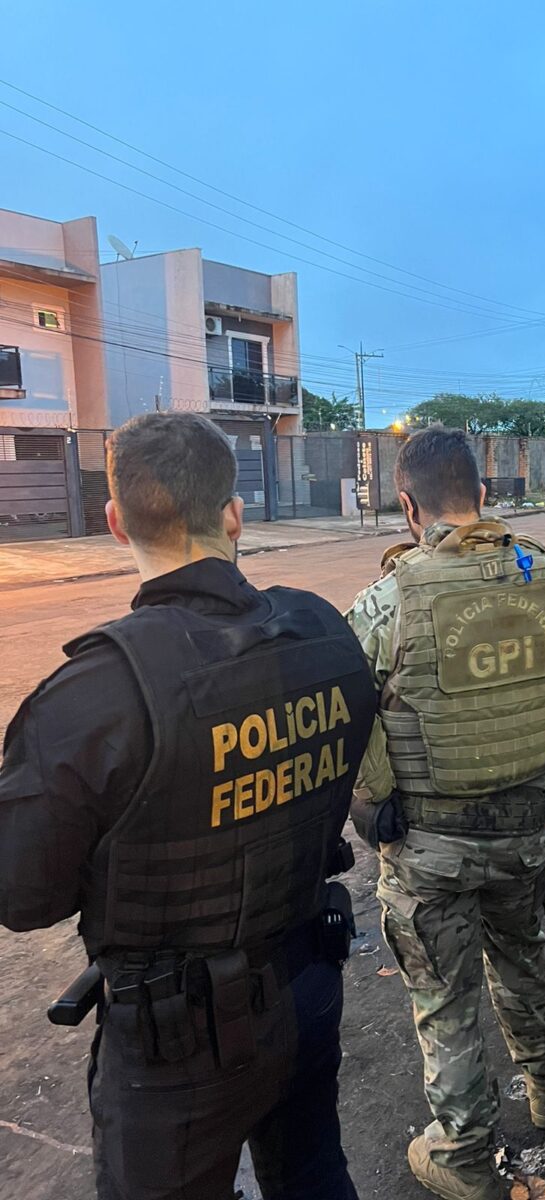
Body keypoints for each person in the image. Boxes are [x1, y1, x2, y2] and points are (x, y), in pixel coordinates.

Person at [0, 412, 376, 1200]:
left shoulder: (96, 695)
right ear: (234, 515)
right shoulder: (323, 631)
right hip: (309, 979)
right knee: (312, 1172)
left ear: (114, 521)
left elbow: (23, 895)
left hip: (177, 1047)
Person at [346, 426, 545, 1200]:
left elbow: (352, 717)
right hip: (526, 831)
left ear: (408, 506)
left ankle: (465, 1158)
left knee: (444, 1002)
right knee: (522, 963)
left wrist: (371, 798)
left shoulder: (389, 600)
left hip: (430, 847)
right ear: (484, 495)